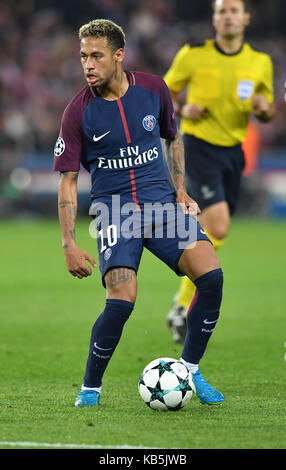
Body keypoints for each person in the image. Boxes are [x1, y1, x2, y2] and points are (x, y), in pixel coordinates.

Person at [54, 19, 225, 407]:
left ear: (118, 56)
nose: (88, 65)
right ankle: (90, 388)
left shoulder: (153, 89)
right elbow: (67, 181)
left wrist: (181, 191)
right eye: (83, 56)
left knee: (212, 277)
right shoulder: (77, 112)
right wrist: (69, 243)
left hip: (163, 206)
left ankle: (192, 370)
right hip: (115, 212)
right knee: (122, 298)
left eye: (96, 55)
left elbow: (173, 137)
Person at [164, 0, 275, 343]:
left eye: (233, 10)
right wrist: (184, 107)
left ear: (245, 18)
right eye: (221, 11)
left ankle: (180, 306)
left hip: (233, 153)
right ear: (214, 19)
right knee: (220, 224)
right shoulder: (193, 55)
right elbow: (163, 94)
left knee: (216, 233)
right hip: (198, 146)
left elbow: (268, 111)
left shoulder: (260, 62)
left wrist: (263, 108)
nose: (227, 16)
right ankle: (184, 306)